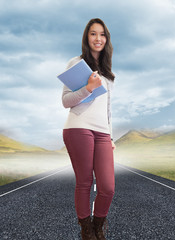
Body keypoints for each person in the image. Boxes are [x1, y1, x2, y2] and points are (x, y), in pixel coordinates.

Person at [62, 18, 116, 240]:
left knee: (108, 187)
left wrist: (111, 136)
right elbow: (66, 101)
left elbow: (108, 110)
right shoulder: (76, 63)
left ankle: (98, 224)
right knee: (85, 182)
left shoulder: (109, 74)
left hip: (102, 132)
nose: (98, 38)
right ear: (87, 37)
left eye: (102, 34)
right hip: (78, 127)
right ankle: (87, 231)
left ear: (106, 39)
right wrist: (88, 88)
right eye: (93, 34)